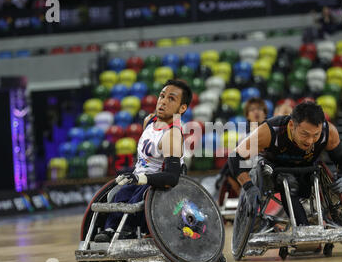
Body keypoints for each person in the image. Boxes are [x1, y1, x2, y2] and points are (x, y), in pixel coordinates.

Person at [94, 79, 192, 242]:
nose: (163, 102)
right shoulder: (149, 121)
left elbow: (172, 178)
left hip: (159, 185)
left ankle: (127, 229)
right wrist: (135, 177)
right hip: (140, 178)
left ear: (182, 108)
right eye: (162, 96)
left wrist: (140, 178)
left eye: (171, 99)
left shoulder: (172, 135)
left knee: (140, 192)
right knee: (120, 192)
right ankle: (110, 228)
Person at [227, 102, 342, 227]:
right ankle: (303, 226)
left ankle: (323, 217)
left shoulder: (328, 132)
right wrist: (248, 187)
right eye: (305, 134)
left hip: (306, 169)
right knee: (288, 182)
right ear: (292, 125)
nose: (310, 141)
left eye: (315, 135)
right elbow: (235, 157)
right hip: (274, 170)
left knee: (318, 178)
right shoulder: (270, 131)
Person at [215, 97, 268, 195]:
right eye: (252, 109)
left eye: (259, 109)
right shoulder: (243, 137)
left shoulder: (271, 132)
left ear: (265, 113)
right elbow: (232, 161)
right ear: (247, 115)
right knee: (231, 169)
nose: (256, 112)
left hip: (266, 170)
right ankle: (245, 195)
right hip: (249, 172)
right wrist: (222, 175)